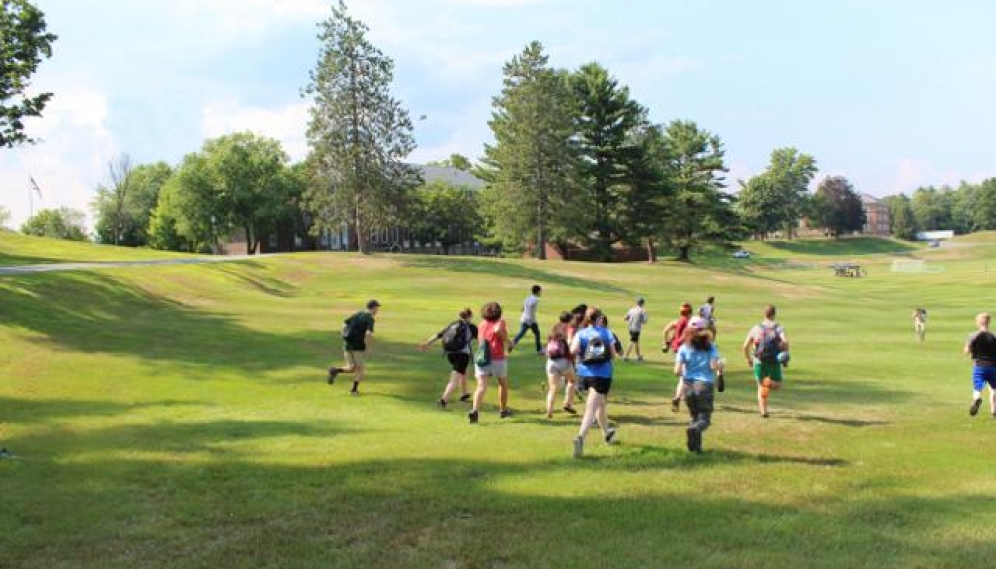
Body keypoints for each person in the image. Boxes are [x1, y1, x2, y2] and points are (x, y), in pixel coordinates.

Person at [570, 307, 619, 458]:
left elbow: (573, 350)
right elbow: (613, 355)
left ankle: (607, 433)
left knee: (601, 404)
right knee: (591, 407)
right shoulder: (606, 332)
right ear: (598, 318)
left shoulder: (581, 333)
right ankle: (580, 438)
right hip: (602, 375)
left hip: (584, 374)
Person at [675, 326, 724, 453]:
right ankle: (695, 431)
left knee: (694, 416)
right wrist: (721, 365)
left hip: (687, 386)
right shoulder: (710, 346)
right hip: (704, 385)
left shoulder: (684, 349)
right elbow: (713, 366)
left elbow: (677, 371)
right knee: (704, 420)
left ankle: (695, 448)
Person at [419, 308, 477, 408]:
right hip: (462, 355)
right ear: (470, 316)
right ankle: (444, 400)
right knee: (455, 379)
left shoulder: (453, 324)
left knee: (464, 371)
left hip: (450, 354)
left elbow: (439, 335)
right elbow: (482, 338)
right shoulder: (471, 327)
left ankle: (464, 393)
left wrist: (427, 343)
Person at [742, 305, 789, 418]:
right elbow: (785, 342)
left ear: (764, 314)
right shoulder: (778, 328)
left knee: (760, 386)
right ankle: (768, 384)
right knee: (777, 385)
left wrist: (748, 359)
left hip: (759, 360)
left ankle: (764, 412)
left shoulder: (756, 328)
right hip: (774, 360)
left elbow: (745, 346)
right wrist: (785, 356)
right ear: (774, 314)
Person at [469, 302, 513, 424]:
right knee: (502, 383)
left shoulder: (482, 324)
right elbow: (498, 330)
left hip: (482, 357)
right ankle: (503, 410)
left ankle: (474, 410)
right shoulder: (500, 322)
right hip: (497, 357)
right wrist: (508, 342)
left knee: (481, 386)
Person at [328, 300, 380, 396]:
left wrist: (343, 335)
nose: (377, 311)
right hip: (358, 346)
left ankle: (334, 370)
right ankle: (354, 390)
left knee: (351, 367)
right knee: (360, 369)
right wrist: (369, 346)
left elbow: (345, 323)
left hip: (347, 344)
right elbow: (368, 333)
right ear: (373, 308)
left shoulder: (358, 314)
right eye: (377, 308)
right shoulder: (370, 318)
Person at [545, 312, 579, 418]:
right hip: (563, 361)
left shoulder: (554, 328)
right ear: (569, 320)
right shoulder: (568, 328)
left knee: (552, 388)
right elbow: (569, 342)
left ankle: (549, 411)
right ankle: (567, 403)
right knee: (572, 380)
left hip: (551, 361)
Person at [662, 303, 694, 412]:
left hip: (677, 350)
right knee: (686, 377)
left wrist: (665, 343)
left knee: (684, 376)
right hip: (686, 350)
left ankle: (682, 396)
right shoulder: (690, 323)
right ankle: (679, 397)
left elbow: (666, 329)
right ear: (690, 313)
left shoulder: (678, 321)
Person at [964, 313, 996, 417]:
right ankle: (994, 411)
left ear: (978, 322)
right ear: (988, 322)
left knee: (977, 388)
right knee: (994, 389)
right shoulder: (994, 335)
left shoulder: (973, 336)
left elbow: (966, 351)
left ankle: (977, 399)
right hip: (993, 366)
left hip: (979, 366)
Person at [511, 285, 543, 354]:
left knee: (522, 333)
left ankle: (513, 342)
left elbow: (522, 308)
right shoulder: (536, 299)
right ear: (537, 291)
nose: (541, 292)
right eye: (540, 291)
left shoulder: (527, 297)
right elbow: (530, 305)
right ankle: (539, 350)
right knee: (537, 334)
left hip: (524, 318)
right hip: (531, 320)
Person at [623, 298, 649, 362]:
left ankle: (639, 356)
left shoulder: (631, 309)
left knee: (636, 342)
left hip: (630, 328)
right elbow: (645, 321)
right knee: (632, 341)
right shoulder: (643, 311)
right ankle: (626, 356)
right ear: (642, 303)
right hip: (636, 329)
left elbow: (625, 318)